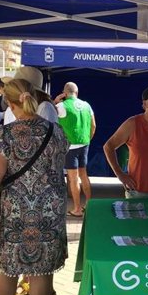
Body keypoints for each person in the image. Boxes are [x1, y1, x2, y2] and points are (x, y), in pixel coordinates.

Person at [0, 78, 69, 295]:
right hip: (50, 208)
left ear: (8, 102)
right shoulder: (56, 131)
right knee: (41, 270)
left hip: (18, 209)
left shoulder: (4, 134)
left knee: (10, 269)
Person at [54, 82, 96, 217]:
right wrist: (88, 138)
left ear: (64, 94)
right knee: (84, 175)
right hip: (84, 143)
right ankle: (90, 205)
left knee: (73, 178)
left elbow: (50, 118)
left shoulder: (61, 106)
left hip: (70, 146)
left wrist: (55, 101)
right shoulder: (87, 105)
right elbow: (94, 125)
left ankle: (77, 209)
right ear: (77, 93)